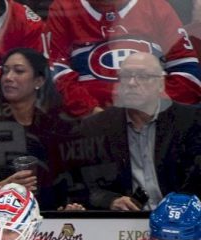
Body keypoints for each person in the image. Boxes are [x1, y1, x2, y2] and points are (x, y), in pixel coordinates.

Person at [75, 52, 201, 211]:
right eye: (126, 76)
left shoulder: (191, 121)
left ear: (161, 84)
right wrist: (111, 201)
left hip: (183, 222)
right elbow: (84, 187)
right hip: (123, 224)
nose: (132, 83)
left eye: (143, 76)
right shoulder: (95, 127)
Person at [0, 48, 84, 211]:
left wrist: (69, 208)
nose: (8, 78)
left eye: (19, 71)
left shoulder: (59, 126)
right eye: (5, 71)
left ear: (39, 81)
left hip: (52, 223)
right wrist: (0, 189)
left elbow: (75, 185)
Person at [47, 0, 201, 117]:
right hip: (90, 124)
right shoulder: (64, 7)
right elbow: (57, 73)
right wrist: (92, 111)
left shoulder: (156, 6)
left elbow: (188, 75)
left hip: (156, 119)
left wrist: (150, 107)